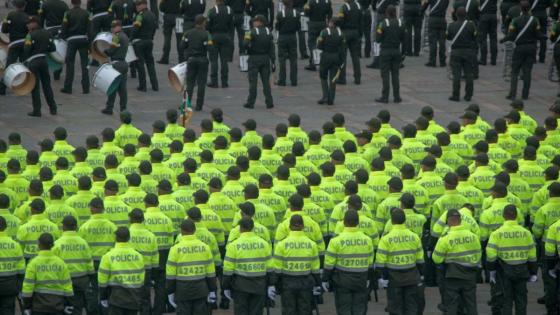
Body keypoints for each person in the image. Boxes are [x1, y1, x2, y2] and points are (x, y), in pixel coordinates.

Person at [487, 205, 537, 315]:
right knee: (521, 300)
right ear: (516, 216)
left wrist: (491, 271)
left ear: (503, 216)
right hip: (522, 269)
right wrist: (533, 272)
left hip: (504, 270)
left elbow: (491, 254)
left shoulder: (496, 233)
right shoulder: (526, 233)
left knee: (506, 300)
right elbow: (532, 255)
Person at [323, 210, 374, 314]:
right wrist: (369, 277)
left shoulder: (335, 241)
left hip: (342, 281)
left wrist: (325, 279)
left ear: (344, 222)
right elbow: (370, 262)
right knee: (360, 308)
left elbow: (329, 263)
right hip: (361, 279)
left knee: (344, 309)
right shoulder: (367, 240)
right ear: (358, 222)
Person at [432, 209, 481, 315]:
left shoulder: (445, 238)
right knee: (471, 304)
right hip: (470, 275)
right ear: (460, 220)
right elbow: (478, 256)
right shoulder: (473, 237)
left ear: (448, 221)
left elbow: (436, 258)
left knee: (452, 305)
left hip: (452, 276)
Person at [375, 208, 423, 315]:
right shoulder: (414, 236)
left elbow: (380, 261)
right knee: (411, 308)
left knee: (395, 308)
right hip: (412, 277)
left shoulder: (386, 239)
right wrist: (421, 275)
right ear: (405, 220)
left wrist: (382, 277)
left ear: (391, 221)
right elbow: (420, 260)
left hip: (394, 278)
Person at [271, 215, 321, 314]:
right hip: (306, 282)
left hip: (287, 282)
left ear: (289, 227)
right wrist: (317, 284)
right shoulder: (312, 244)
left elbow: (277, 269)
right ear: (303, 227)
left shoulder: (281, 245)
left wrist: (274, 284)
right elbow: (315, 269)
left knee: (289, 310)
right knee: (305, 310)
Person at [223, 217, 273, 315]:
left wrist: (226, 286)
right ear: (253, 228)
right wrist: (271, 284)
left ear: (240, 228)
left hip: (240, 286)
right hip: (259, 284)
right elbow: (270, 267)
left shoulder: (233, 245)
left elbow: (228, 270)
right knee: (257, 312)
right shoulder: (264, 244)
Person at [166, 219, 217, 314]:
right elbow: (210, 272)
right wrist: (212, 290)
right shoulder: (205, 247)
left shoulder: (175, 249)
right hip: (201, 289)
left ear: (181, 231)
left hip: (182, 290)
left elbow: (170, 274)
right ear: (194, 230)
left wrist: (170, 291)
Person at [22, 233, 74, 315]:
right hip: (57, 305)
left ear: (39, 244)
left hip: (38, 306)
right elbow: (67, 286)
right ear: (53, 245)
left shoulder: (33, 263)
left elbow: (28, 287)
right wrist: (69, 304)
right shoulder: (61, 263)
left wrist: (27, 306)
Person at [502, 0, 544, 100]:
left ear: (521, 8)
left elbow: (511, 36)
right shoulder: (535, 20)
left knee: (515, 71)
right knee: (527, 71)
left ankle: (512, 94)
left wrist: (504, 39)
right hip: (531, 47)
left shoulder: (515, 20)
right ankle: (525, 95)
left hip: (519, 48)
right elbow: (538, 34)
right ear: (529, 9)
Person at [52, 216, 95, 315]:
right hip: (81, 280)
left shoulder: (57, 244)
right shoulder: (83, 243)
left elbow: (54, 263)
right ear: (76, 227)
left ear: (63, 227)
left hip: (64, 280)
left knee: (65, 306)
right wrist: (90, 276)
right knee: (78, 306)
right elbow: (89, 261)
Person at [98, 227, 145, 314]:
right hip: (133, 298)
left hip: (115, 299)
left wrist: (103, 297)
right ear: (129, 238)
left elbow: (102, 281)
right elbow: (141, 280)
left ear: (115, 238)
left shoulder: (107, 256)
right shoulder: (139, 256)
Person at [23, 15, 58, 117]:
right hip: (43, 61)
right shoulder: (48, 33)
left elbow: (26, 50)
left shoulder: (30, 35)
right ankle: (53, 108)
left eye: (29, 23)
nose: (27, 25)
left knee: (35, 87)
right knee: (47, 86)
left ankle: (37, 110)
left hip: (33, 62)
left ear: (35, 24)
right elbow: (53, 48)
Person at [242, 15, 276, 109]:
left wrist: (249, 48)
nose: (253, 23)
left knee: (253, 82)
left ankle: (251, 102)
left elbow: (244, 44)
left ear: (260, 22)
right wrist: (273, 61)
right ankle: (269, 102)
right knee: (266, 82)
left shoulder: (251, 32)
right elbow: (271, 48)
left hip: (254, 58)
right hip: (265, 58)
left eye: (255, 21)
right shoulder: (268, 32)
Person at [375, 5, 405, 104]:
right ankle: (397, 96)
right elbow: (404, 38)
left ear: (387, 13)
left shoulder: (383, 23)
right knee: (395, 74)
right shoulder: (400, 23)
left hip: (385, 51)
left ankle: (385, 96)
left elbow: (378, 39)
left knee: (385, 75)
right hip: (396, 51)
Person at [181, 14, 212, 111]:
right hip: (202, 60)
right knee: (201, 84)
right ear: (203, 23)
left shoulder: (187, 33)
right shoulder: (207, 34)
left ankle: (187, 104)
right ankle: (199, 105)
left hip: (191, 60)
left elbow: (182, 46)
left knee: (189, 83)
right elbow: (210, 48)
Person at [447, 7, 477, 102]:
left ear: (456, 15)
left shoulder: (451, 25)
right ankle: (468, 95)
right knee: (469, 74)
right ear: (466, 15)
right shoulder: (471, 25)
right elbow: (475, 37)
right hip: (468, 52)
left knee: (456, 75)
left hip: (456, 52)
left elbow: (448, 37)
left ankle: (455, 95)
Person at [60, 0, 90, 94]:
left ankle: (68, 87)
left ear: (72, 3)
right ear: (80, 2)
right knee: (84, 65)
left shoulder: (67, 13)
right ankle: (86, 88)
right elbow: (90, 28)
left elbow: (64, 27)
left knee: (70, 64)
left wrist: (64, 38)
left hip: (72, 40)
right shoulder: (86, 13)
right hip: (83, 39)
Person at [0, 0, 28, 95]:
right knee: (25, 64)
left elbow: (4, 29)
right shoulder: (28, 17)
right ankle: (25, 86)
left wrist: (10, 29)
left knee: (9, 65)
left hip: (14, 44)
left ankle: (2, 88)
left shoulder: (10, 15)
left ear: (15, 5)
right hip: (24, 43)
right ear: (24, 6)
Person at [101, 20, 129, 115]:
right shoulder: (125, 36)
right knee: (122, 89)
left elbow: (111, 51)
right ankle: (123, 109)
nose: (112, 29)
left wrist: (104, 51)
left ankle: (109, 108)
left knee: (113, 86)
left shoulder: (116, 37)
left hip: (116, 64)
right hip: (123, 63)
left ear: (118, 27)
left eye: (114, 27)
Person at [316, 17, 345, 105]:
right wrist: (341, 61)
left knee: (323, 76)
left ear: (332, 23)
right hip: (336, 57)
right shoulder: (341, 34)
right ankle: (331, 99)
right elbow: (343, 49)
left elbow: (319, 45)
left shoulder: (324, 32)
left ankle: (325, 96)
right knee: (333, 79)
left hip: (325, 56)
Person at [132, 0, 159, 92]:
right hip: (149, 41)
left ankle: (142, 86)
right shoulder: (152, 14)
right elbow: (155, 27)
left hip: (140, 42)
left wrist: (131, 38)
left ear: (142, 5)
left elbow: (135, 29)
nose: (137, 7)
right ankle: (155, 85)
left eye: (138, 5)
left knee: (140, 65)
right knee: (150, 64)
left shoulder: (139, 15)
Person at [0, 216, 25, 315]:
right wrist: (18, 287)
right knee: (8, 310)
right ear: (6, 227)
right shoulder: (15, 245)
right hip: (10, 285)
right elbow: (21, 270)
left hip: (10, 284)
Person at [207, 0, 234, 88]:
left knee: (214, 60)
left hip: (214, 36)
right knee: (224, 61)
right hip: (225, 36)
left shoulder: (212, 11)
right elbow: (231, 26)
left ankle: (214, 82)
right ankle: (224, 82)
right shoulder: (229, 10)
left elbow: (208, 26)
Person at [39, 0, 69, 80]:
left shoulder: (45, 4)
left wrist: (41, 31)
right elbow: (67, 18)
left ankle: (46, 72)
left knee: (47, 51)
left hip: (49, 30)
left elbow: (41, 19)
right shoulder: (64, 4)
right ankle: (58, 71)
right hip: (61, 29)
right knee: (60, 52)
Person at [275, 0, 300, 87]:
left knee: (282, 59)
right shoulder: (296, 13)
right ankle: (294, 81)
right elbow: (298, 26)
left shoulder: (280, 14)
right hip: (292, 36)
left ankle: (282, 80)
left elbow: (277, 27)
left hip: (283, 37)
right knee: (293, 59)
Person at [336, 0, 361, 85]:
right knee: (355, 56)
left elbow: (340, 21)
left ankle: (342, 78)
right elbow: (362, 20)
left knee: (343, 56)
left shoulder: (344, 7)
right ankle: (358, 78)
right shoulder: (358, 5)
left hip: (345, 32)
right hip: (355, 32)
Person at [303, 0, 332, 71]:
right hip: (323, 23)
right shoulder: (327, 2)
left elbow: (306, 12)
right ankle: (322, 62)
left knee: (312, 44)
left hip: (313, 23)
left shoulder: (311, 2)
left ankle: (314, 62)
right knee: (322, 44)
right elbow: (330, 13)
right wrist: (328, 23)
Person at [422, 0, 449, 67]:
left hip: (433, 19)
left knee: (432, 41)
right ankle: (442, 61)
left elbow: (424, 6)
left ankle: (432, 61)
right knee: (442, 41)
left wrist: (421, 11)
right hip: (442, 19)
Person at [158, 0, 183, 64]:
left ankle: (165, 58)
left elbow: (161, 7)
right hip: (178, 17)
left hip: (168, 16)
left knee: (167, 38)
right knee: (179, 39)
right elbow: (184, 6)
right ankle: (181, 58)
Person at [477, 0, 497, 65]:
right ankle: (493, 60)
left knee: (483, 39)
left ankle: (483, 59)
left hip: (484, 16)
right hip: (493, 16)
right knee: (493, 39)